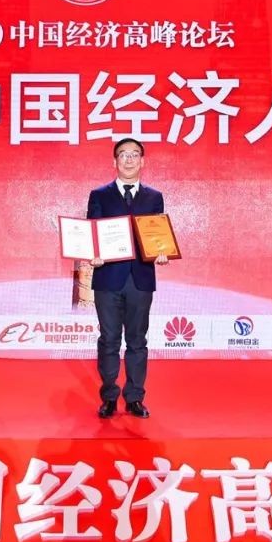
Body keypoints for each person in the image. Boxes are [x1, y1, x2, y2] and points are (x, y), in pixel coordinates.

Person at [87, 138, 168, 419]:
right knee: (109, 340)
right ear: (115, 161)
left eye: (135, 155)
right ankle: (109, 396)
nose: (129, 159)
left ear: (142, 161)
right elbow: (92, 232)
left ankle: (134, 397)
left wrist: (161, 251)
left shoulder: (154, 197)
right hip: (108, 278)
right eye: (123, 155)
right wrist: (93, 253)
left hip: (140, 279)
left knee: (137, 341)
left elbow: (157, 233)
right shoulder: (99, 195)